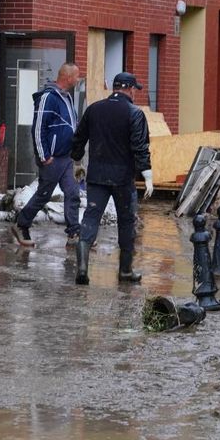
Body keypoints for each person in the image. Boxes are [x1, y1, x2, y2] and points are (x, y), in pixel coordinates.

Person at [70, 72, 153, 285]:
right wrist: (147, 173)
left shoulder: (94, 109)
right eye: (134, 89)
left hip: (97, 175)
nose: (135, 92)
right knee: (126, 221)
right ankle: (125, 271)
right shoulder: (134, 113)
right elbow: (139, 146)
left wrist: (77, 162)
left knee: (90, 217)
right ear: (129, 89)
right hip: (123, 178)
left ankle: (82, 267)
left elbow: (79, 137)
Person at [11, 62, 83, 248]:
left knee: (72, 193)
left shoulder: (66, 97)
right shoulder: (48, 97)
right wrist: (44, 156)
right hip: (52, 158)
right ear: (67, 77)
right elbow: (38, 128)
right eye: (77, 76)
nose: (78, 79)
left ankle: (74, 233)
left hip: (66, 157)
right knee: (43, 195)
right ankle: (22, 224)